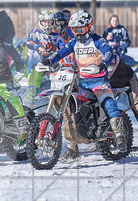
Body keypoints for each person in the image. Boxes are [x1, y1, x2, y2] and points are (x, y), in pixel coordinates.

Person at [42, 10, 126, 159]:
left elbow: (108, 53)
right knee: (70, 109)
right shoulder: (74, 41)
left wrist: (103, 64)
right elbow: (62, 52)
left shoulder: (98, 40)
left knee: (108, 102)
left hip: (99, 81)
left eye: (81, 30)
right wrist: (49, 60)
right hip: (82, 81)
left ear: (89, 27)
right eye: (75, 30)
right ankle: (72, 147)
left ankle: (120, 135)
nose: (78, 33)